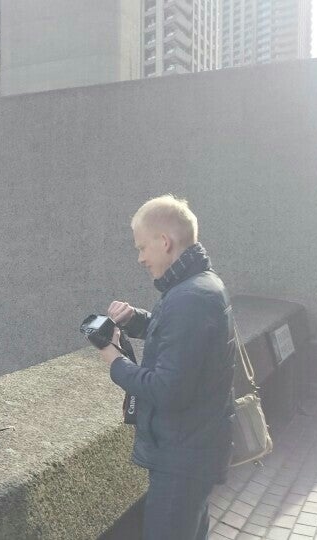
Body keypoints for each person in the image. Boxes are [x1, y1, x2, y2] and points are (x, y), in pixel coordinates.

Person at [95, 194, 235, 540]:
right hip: (196, 449)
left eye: (143, 247)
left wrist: (115, 361)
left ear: (165, 241)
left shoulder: (189, 297)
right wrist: (137, 320)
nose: (141, 258)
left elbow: (167, 390)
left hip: (182, 459)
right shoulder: (198, 286)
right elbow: (183, 344)